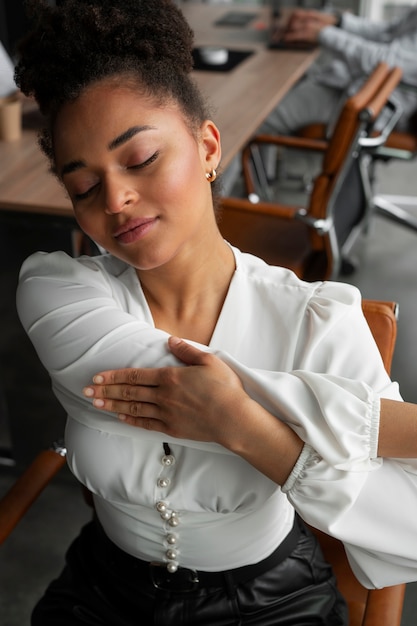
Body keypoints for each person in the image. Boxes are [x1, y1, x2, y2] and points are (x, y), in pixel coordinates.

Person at [14, 0, 417, 624]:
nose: (116, 199)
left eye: (141, 159)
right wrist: (392, 428)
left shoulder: (316, 321)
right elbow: (190, 392)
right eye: (84, 187)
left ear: (207, 148)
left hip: (271, 601)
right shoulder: (57, 292)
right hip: (104, 591)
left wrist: (244, 427)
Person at [261, 6, 417, 138]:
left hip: (365, 104)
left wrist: (322, 33)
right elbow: (388, 31)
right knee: (274, 87)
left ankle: (248, 168)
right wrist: (338, 22)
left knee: (257, 116)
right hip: (355, 88)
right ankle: (256, 169)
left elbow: (383, 61)